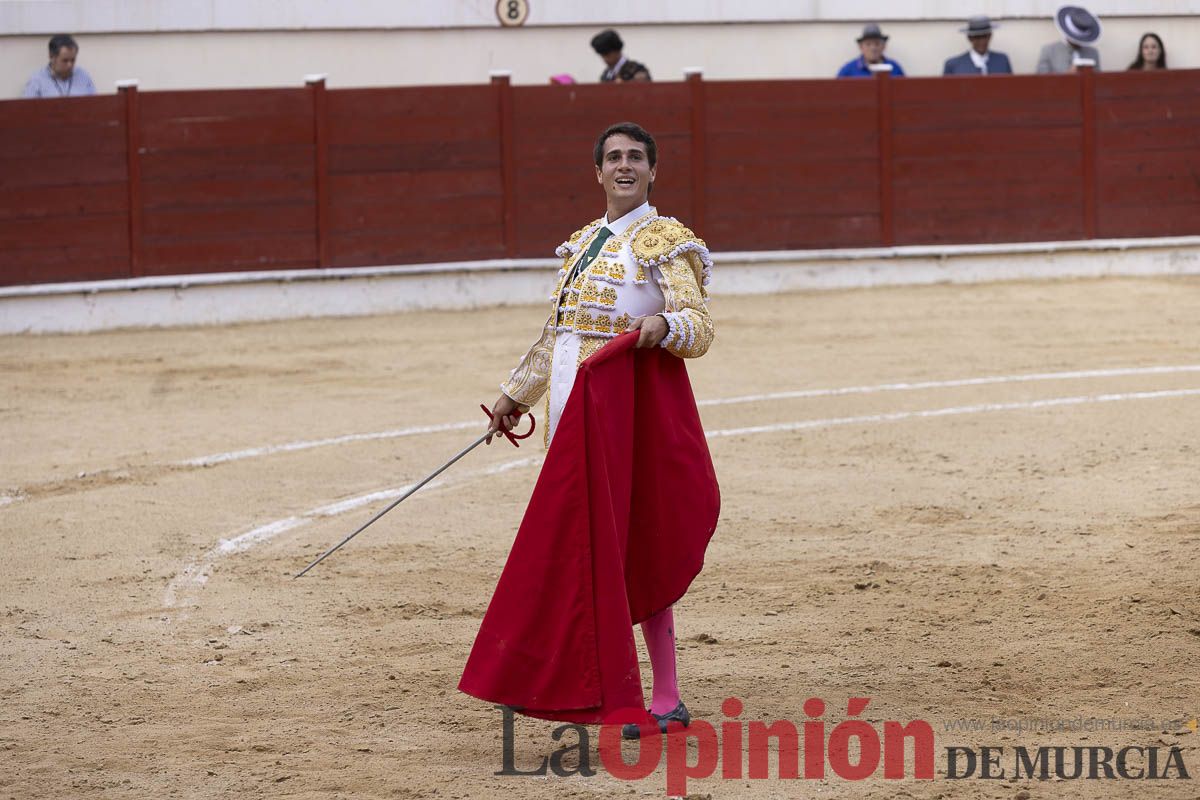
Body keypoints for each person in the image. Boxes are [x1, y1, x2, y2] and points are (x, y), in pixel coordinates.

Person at [460, 122, 717, 738]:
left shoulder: (666, 240)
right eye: (613, 158)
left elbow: (700, 326)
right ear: (597, 172)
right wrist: (512, 396)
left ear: (653, 172)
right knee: (585, 550)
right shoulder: (581, 244)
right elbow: (559, 337)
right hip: (572, 415)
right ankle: (602, 684)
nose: (624, 166)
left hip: (628, 418)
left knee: (634, 544)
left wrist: (662, 328)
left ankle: (665, 695)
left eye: (635, 158)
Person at [22, 34, 97, 98]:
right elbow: (27, 111)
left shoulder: (83, 77)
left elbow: (94, 106)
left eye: (72, 60)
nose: (69, 65)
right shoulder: (37, 81)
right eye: (65, 60)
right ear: (51, 57)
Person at [1037, 6, 1102, 73]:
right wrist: (1067, 77)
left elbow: (1098, 81)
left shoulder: (1093, 53)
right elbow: (1041, 80)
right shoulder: (1049, 51)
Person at [943, 15, 1013, 75]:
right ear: (970, 38)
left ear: (990, 36)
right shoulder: (953, 65)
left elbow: (1010, 88)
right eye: (977, 37)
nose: (982, 41)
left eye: (985, 36)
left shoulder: (1002, 61)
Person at [837, 24, 906, 78]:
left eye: (877, 44)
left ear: (884, 46)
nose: (873, 48)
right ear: (861, 47)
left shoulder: (894, 68)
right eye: (868, 44)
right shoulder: (849, 69)